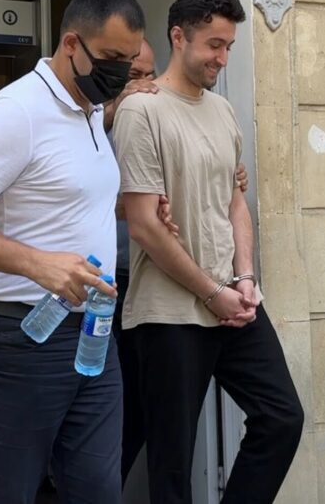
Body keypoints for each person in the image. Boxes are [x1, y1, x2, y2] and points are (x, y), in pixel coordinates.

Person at [0, 0, 142, 504]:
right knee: (10, 494)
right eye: (112, 59)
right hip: (16, 341)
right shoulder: (14, 113)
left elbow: (64, 199)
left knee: (98, 492)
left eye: (130, 61)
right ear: (71, 44)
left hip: (92, 336)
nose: (121, 73)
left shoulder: (92, 109)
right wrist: (38, 264)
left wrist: (131, 210)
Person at [112, 0, 305, 503]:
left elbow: (235, 203)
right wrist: (211, 292)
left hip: (233, 302)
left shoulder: (222, 110)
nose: (222, 57)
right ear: (179, 37)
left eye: (229, 46)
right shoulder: (141, 111)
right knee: (172, 463)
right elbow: (144, 225)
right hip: (169, 313)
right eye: (214, 45)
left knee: (282, 417)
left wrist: (245, 279)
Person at [102, 39, 249, 485]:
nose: (144, 84)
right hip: (107, 290)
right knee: (117, 420)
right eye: (133, 75)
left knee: (142, 417)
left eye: (149, 73)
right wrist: (134, 207)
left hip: (157, 279)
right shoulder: (94, 126)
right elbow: (87, 200)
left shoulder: (183, 112)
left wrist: (221, 170)